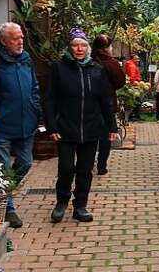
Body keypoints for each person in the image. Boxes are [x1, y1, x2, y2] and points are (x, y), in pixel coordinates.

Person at [0, 22, 41, 229]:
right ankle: (8, 208)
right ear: (3, 41)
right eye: (15, 38)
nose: (21, 41)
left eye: (21, 37)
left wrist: (36, 110)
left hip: (26, 124)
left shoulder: (26, 59)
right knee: (3, 168)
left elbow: (34, 88)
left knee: (26, 163)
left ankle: (2, 193)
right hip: (0, 126)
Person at [45, 29, 116, 224]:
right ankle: (61, 202)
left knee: (85, 169)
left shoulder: (96, 69)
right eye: (76, 45)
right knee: (66, 167)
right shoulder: (59, 68)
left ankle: (80, 206)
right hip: (66, 127)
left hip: (92, 128)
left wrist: (112, 127)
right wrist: (52, 126)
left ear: (88, 48)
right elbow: (50, 99)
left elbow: (105, 100)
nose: (79, 48)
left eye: (83, 45)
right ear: (70, 47)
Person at [91, 34, 126, 175]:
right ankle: (101, 165)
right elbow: (120, 82)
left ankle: (87, 162)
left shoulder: (89, 61)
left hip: (89, 104)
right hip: (107, 103)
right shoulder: (111, 63)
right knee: (106, 136)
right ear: (104, 49)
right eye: (110, 46)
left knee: (91, 136)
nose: (111, 49)